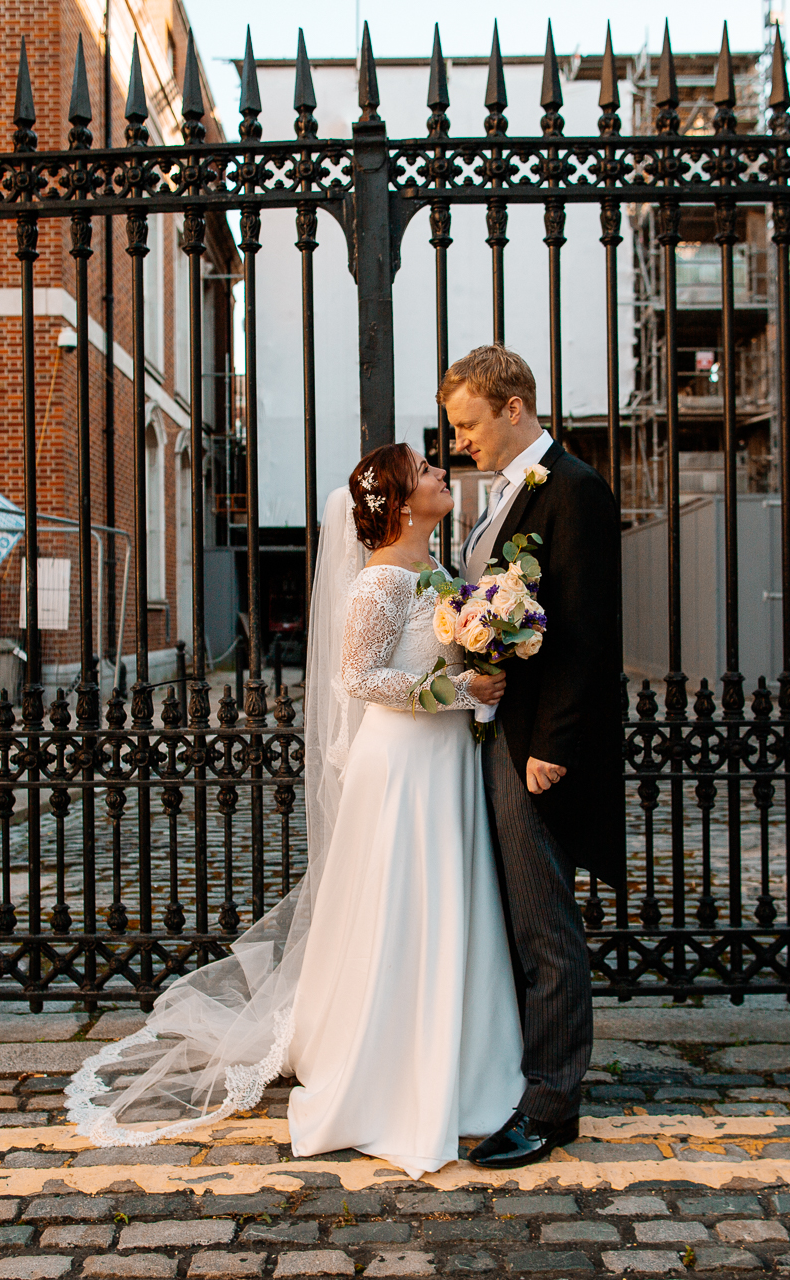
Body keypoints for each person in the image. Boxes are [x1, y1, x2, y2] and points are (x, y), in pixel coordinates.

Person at [66, 442, 525, 1180]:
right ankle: (384, 1066)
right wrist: (456, 695)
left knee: (450, 901)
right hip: (402, 762)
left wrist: (483, 659)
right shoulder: (380, 582)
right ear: (405, 503)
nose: (443, 472)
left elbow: (441, 653)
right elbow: (359, 676)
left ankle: (466, 1059)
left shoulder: (440, 573)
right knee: (401, 905)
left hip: (445, 762)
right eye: (427, 471)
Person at [442, 344, 624, 1170]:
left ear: (513, 407)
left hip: (534, 751)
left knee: (544, 924)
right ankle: (521, 1076)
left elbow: (588, 634)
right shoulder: (499, 498)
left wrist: (554, 748)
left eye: (469, 424)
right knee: (515, 918)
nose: (460, 443)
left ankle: (552, 1104)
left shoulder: (574, 490)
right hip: (497, 734)